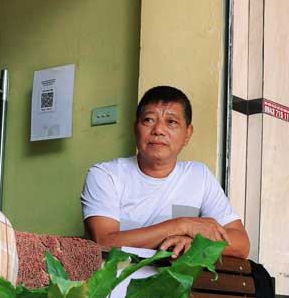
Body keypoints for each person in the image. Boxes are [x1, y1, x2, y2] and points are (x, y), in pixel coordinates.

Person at [81, 85, 250, 258]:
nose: (159, 130)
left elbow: (241, 244)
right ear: (135, 128)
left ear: (187, 134)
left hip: (177, 283)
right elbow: (104, 242)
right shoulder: (105, 175)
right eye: (148, 120)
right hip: (117, 281)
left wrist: (196, 244)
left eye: (171, 122)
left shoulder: (199, 176)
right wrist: (181, 226)